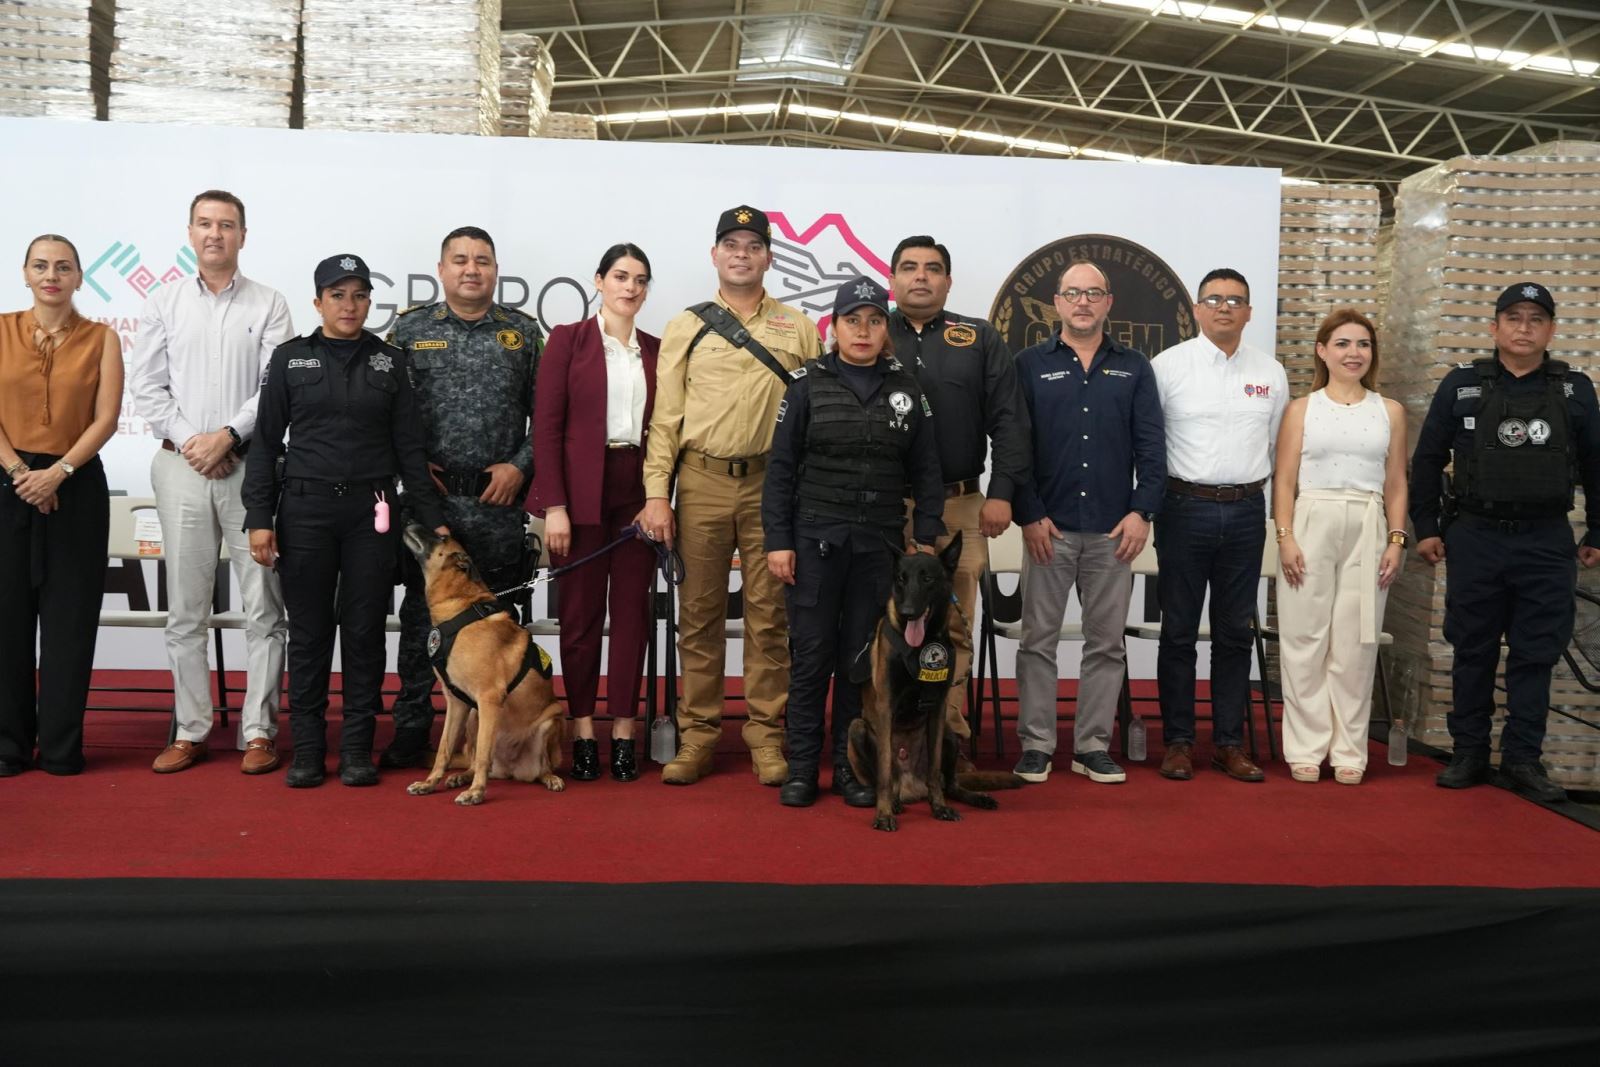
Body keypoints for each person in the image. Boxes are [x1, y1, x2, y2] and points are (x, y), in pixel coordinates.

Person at [243, 255, 446, 788]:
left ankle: (357, 747)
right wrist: (259, 517)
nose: (349, 305)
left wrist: (433, 522)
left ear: (369, 303)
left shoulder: (390, 363)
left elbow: (410, 450)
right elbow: (264, 444)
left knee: (363, 633)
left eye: (358, 295)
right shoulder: (291, 360)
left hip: (371, 514)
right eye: (337, 295)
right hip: (305, 511)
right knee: (308, 635)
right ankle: (307, 749)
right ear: (318, 303)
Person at [639, 205, 823, 787]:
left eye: (753, 244)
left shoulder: (799, 327)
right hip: (701, 481)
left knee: (771, 618)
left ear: (769, 257)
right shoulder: (685, 326)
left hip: (774, 487)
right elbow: (665, 417)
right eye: (731, 244)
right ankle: (697, 737)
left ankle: (768, 738)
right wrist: (656, 494)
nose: (742, 253)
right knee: (698, 617)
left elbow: (819, 417)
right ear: (714, 255)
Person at [1410, 282, 1600, 804]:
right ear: (1494, 326)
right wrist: (1426, 528)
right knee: (1472, 649)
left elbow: (1596, 465)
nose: (1523, 327)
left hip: (1545, 540)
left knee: (1536, 655)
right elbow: (1426, 461)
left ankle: (1522, 759)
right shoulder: (1463, 384)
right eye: (1513, 317)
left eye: (1535, 319)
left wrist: (1597, 532)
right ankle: (1469, 752)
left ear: (1551, 331)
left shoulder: (1575, 389)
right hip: (1476, 536)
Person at [762, 276, 945, 807]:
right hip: (815, 543)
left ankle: (846, 767)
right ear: (834, 326)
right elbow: (780, 473)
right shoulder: (806, 385)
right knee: (813, 658)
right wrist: (779, 541)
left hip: (879, 552)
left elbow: (927, 472)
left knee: (858, 662)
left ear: (883, 327)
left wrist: (927, 537)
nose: (862, 331)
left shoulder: (906, 388)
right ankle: (801, 770)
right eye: (851, 321)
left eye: (872, 321)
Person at [130, 189, 291, 776]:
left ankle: (258, 732)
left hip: (252, 470)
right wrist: (198, 444)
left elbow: (274, 389)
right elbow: (146, 387)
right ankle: (191, 729)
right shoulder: (163, 301)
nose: (215, 234)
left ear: (243, 236)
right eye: (205, 224)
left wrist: (227, 436)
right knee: (187, 611)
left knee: (263, 608)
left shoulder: (270, 304)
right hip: (180, 467)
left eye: (227, 225)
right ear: (190, 232)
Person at [381, 226, 542, 770]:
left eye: (482, 260)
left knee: (496, 629)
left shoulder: (522, 333)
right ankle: (410, 727)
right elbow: (386, 410)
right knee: (422, 624)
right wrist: (412, 470)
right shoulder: (409, 330)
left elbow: (550, 416)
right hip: (432, 507)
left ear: (496, 270)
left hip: (498, 506)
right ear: (442, 269)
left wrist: (520, 468)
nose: (472, 269)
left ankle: (489, 739)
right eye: (460, 260)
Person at [1011, 260, 1165, 785]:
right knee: (1038, 643)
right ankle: (1036, 746)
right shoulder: (1029, 364)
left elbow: (1152, 447)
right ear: (1056, 301)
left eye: (1092, 293)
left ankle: (1092, 746)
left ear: (1108, 303)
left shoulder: (1134, 367)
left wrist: (1142, 512)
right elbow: (1015, 448)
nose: (1082, 302)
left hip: (1112, 534)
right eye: (1073, 293)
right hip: (1047, 530)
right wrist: (1028, 513)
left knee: (1106, 645)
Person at [887, 235, 1030, 755]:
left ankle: (946, 738)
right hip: (884, 508)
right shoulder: (870, 333)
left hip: (963, 504)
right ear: (892, 278)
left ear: (948, 281)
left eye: (932, 268)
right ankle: (883, 736)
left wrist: (1003, 493)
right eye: (909, 267)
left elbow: (1010, 422)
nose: (920, 276)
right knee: (876, 621)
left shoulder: (980, 338)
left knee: (956, 625)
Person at [1150, 268, 1287, 782]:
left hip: (1248, 510)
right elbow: (1150, 443)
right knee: (1179, 631)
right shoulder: (1168, 367)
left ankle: (1229, 743)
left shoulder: (1271, 373)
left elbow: (1273, 446)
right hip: (1183, 508)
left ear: (1250, 312)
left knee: (1235, 633)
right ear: (1198, 309)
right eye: (1214, 299)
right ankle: (1179, 742)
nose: (1225, 307)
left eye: (1236, 300)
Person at [529, 244, 659, 783]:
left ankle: (624, 729)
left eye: (641, 279)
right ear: (599, 281)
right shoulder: (568, 340)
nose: (630, 287)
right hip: (579, 495)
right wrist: (555, 506)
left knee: (632, 616)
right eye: (621, 276)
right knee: (580, 618)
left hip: (639, 490)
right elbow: (547, 427)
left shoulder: (656, 349)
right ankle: (582, 727)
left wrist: (661, 498)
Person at [0, 234, 123, 777]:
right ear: (25, 273)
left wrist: (58, 474)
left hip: (76, 483)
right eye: (41, 265)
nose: (52, 274)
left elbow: (106, 419)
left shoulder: (102, 338)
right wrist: (22, 475)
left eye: (64, 266)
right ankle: (8, 744)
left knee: (71, 622)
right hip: (8, 483)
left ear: (79, 277)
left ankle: (60, 746)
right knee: (7, 621)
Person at [1273, 309, 1408, 785]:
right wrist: (1285, 538)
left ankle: (1349, 749)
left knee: (1356, 640)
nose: (1354, 353)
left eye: (1363, 344)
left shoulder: (1388, 411)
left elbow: (1395, 483)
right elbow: (1284, 481)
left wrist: (1396, 539)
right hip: (1311, 519)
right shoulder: (1301, 410)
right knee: (1304, 638)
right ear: (1322, 350)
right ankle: (1306, 747)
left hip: (1369, 523)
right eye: (1344, 343)